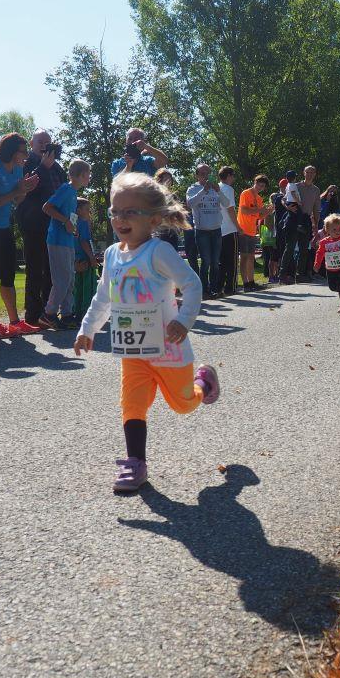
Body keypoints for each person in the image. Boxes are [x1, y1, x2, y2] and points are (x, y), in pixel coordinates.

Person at [74, 172, 220, 493]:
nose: (120, 219)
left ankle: (203, 382)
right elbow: (104, 297)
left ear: (153, 219)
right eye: (115, 211)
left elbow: (192, 284)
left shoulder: (158, 252)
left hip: (169, 348)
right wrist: (88, 329)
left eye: (130, 212)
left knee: (183, 405)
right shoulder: (111, 254)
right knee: (132, 405)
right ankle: (135, 463)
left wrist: (184, 320)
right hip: (134, 351)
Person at [0, 133, 40, 336]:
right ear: (11, 151)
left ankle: (15, 322)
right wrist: (17, 191)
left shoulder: (18, 169)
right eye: (23, 151)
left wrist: (24, 190)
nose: (26, 155)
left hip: (5, 228)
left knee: (8, 275)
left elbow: (17, 201)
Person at [19, 129, 66, 327]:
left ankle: (48, 312)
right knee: (35, 269)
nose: (44, 145)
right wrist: (43, 167)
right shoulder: (26, 164)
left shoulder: (58, 168)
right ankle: (32, 314)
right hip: (33, 223)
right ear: (31, 144)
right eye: (40, 142)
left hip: (53, 224)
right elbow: (25, 189)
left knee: (51, 270)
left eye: (47, 142)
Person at [40, 159, 90, 329]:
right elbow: (47, 207)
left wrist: (72, 227)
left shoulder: (73, 193)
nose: (89, 177)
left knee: (70, 279)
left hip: (68, 240)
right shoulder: (66, 189)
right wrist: (65, 221)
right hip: (57, 240)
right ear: (81, 175)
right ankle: (48, 314)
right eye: (88, 174)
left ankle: (67, 314)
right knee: (62, 279)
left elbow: (69, 218)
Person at [186, 163, 227, 298]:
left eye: (208, 173)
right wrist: (204, 190)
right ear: (197, 175)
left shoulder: (216, 189)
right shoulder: (193, 188)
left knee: (215, 262)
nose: (206, 176)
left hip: (216, 229)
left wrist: (219, 191)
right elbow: (190, 204)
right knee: (206, 261)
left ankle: (214, 289)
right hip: (202, 230)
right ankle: (204, 290)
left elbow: (226, 204)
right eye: (203, 173)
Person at [237, 174, 270, 291]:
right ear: (254, 182)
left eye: (263, 186)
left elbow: (259, 216)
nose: (260, 188)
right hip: (242, 229)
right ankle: (245, 283)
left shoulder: (259, 198)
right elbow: (243, 210)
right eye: (259, 185)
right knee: (244, 257)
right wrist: (260, 209)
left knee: (251, 257)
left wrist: (268, 212)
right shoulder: (245, 193)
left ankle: (251, 283)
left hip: (252, 231)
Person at [73, 198, 101, 319]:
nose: (89, 212)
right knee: (88, 287)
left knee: (77, 287)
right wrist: (92, 258)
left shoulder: (73, 223)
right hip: (85, 259)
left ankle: (76, 310)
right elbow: (84, 241)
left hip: (76, 259)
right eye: (87, 209)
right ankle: (87, 312)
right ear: (79, 210)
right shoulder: (83, 223)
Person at [217, 166, 242, 296]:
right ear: (228, 176)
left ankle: (218, 287)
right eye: (233, 176)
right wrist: (238, 227)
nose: (234, 178)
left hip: (218, 229)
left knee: (221, 261)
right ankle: (230, 287)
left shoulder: (216, 187)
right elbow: (230, 209)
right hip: (229, 229)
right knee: (232, 261)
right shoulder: (228, 189)